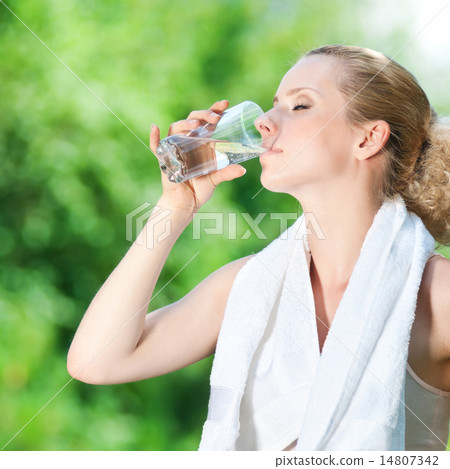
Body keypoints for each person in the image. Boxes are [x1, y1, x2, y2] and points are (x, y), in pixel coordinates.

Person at [67, 45, 450, 451]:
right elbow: (96, 361)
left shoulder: (436, 295)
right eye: (273, 106)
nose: (265, 122)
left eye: (300, 106)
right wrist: (175, 206)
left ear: (368, 138)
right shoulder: (247, 286)